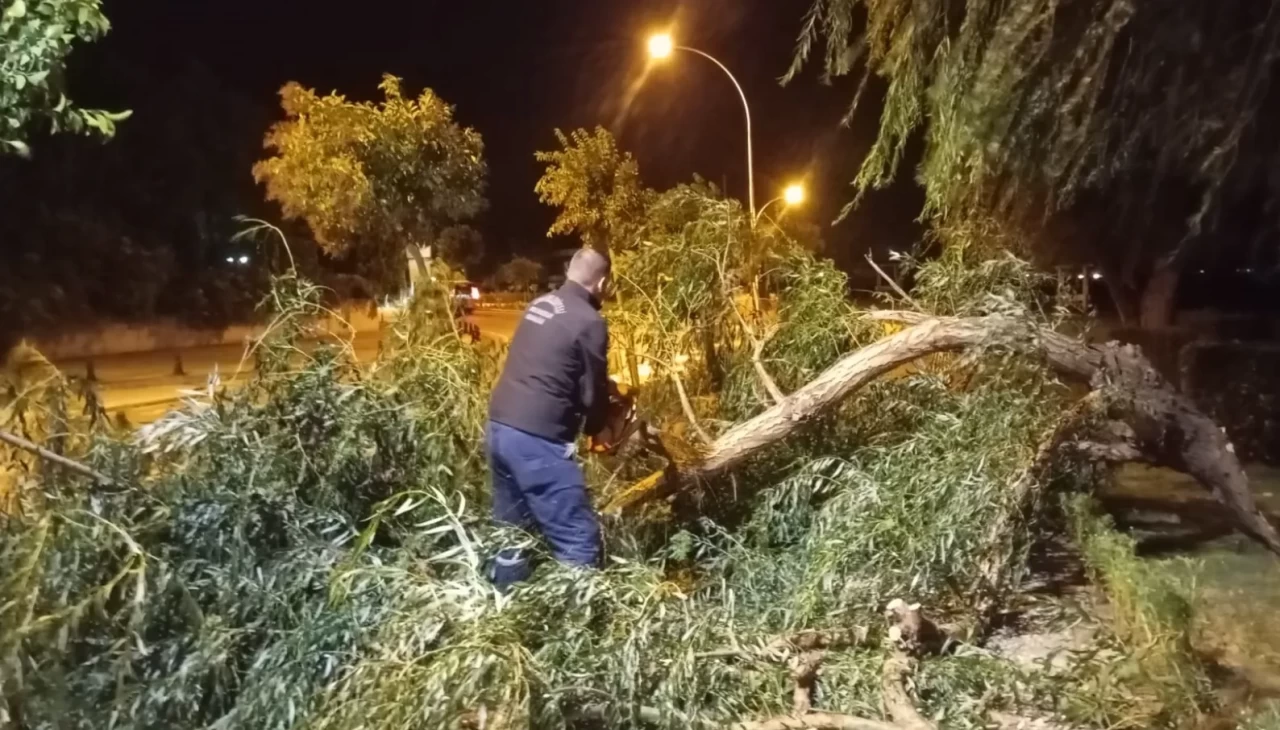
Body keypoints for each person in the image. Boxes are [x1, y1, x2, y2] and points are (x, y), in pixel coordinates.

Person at [486, 247, 612, 590]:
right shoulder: (590, 321)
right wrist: (599, 430)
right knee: (578, 540)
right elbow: (592, 392)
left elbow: (552, 362)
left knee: (512, 532)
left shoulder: (539, 304)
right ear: (602, 282)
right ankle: (577, 629)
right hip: (536, 440)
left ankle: (507, 611)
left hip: (500, 428)